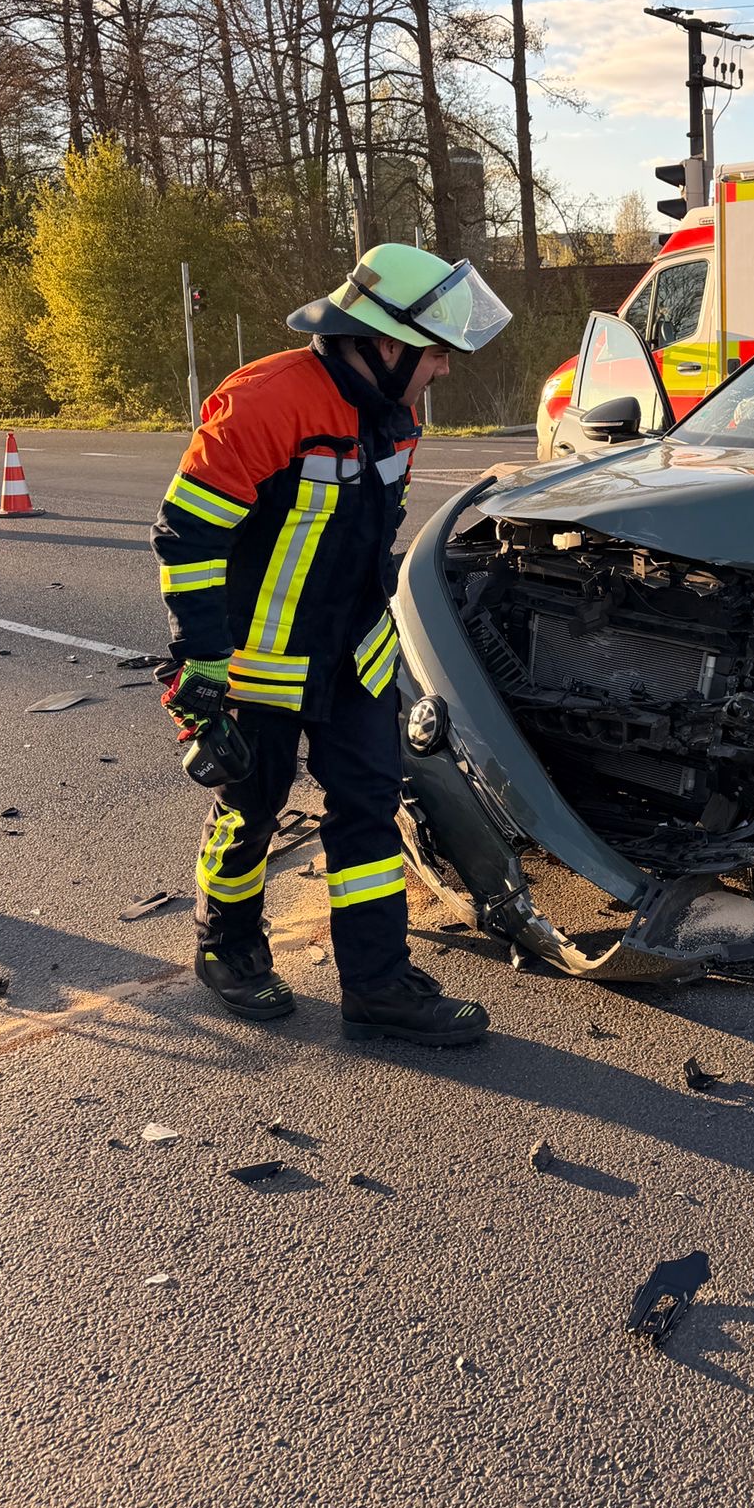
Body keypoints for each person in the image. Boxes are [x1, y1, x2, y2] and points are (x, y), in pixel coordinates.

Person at [150, 244, 510, 1045]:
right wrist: (201, 663)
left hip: (355, 659)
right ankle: (227, 948)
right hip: (256, 667)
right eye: (435, 351)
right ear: (383, 343)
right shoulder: (265, 402)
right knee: (250, 812)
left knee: (369, 816)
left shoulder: (398, 412)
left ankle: (378, 987)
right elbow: (186, 537)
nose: (443, 368)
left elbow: (370, 537)